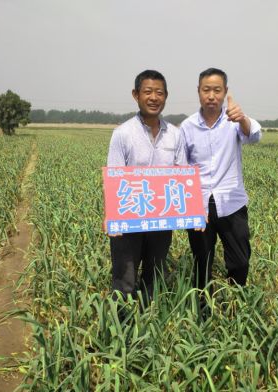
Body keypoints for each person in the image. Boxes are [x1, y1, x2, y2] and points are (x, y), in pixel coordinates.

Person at [106, 69, 187, 306]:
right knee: (125, 279)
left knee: (154, 276)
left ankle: (148, 328)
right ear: (136, 95)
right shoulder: (122, 134)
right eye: (148, 92)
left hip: (160, 219)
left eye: (159, 93)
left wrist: (191, 214)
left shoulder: (175, 134)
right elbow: (115, 176)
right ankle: (121, 330)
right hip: (129, 217)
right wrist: (113, 218)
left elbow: (182, 176)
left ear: (166, 96)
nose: (154, 97)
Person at [180, 67, 262, 293]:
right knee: (201, 262)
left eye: (217, 90)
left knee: (240, 261)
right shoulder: (187, 126)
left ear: (225, 91)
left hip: (231, 203)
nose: (211, 95)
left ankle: (236, 303)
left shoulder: (234, 119)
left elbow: (254, 136)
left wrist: (242, 118)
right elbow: (182, 168)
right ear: (199, 92)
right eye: (206, 90)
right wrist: (190, 206)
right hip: (199, 204)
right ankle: (203, 308)